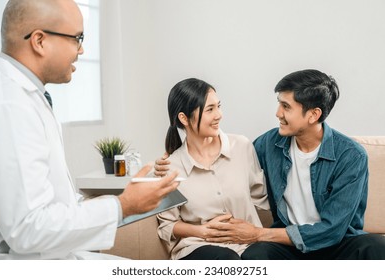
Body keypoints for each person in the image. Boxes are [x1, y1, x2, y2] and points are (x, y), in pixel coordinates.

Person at [0, 0, 179, 260]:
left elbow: (43, 203)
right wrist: (123, 206)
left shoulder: (25, 95)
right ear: (39, 41)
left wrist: (114, 204)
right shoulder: (10, 104)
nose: (81, 50)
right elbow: (28, 227)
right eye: (77, 38)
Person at [156, 69, 385, 259]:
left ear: (313, 114)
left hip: (335, 244)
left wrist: (257, 233)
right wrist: (173, 159)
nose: (277, 113)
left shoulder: (351, 156)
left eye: (286, 107)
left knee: (376, 247)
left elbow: (332, 230)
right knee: (255, 255)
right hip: (286, 247)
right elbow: (229, 160)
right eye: (279, 104)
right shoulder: (269, 144)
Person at [156, 78, 269, 260]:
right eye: (210, 109)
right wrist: (202, 231)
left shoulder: (241, 146)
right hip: (197, 247)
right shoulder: (170, 167)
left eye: (218, 106)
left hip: (247, 244)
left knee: (262, 257)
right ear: (184, 118)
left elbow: (262, 199)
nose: (219, 115)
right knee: (227, 259)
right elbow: (167, 224)